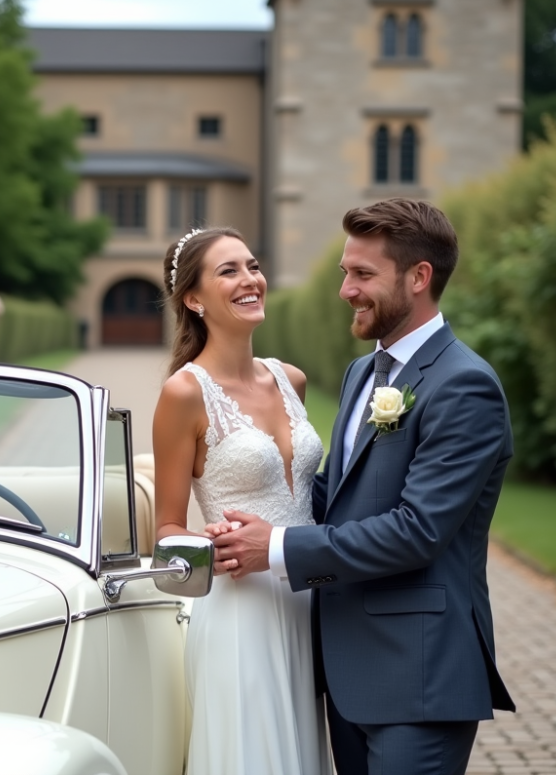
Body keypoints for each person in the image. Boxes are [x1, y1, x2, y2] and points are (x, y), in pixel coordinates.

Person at [213, 198, 516, 775]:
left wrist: (275, 549)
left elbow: (417, 530)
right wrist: (250, 516)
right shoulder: (363, 374)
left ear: (419, 277)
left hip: (419, 676)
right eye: (345, 272)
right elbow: (339, 495)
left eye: (363, 275)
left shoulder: (465, 386)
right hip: (347, 670)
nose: (346, 290)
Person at [152, 227, 329, 775]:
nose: (250, 279)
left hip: (309, 598)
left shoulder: (290, 379)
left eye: (252, 266)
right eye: (229, 271)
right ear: (194, 298)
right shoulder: (184, 393)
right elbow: (165, 529)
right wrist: (202, 543)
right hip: (239, 611)